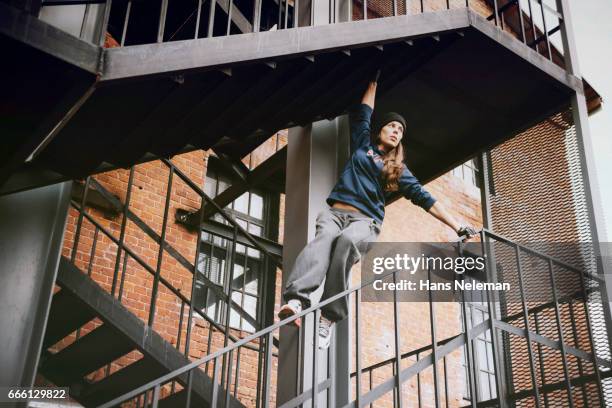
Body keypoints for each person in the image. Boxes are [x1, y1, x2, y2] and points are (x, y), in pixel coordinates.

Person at [278, 74, 477, 349]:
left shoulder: (398, 170)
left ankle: (329, 316)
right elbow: (364, 112)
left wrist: (457, 225)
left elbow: (425, 198)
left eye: (400, 131)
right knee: (323, 241)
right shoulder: (363, 145)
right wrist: (373, 80)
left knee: (345, 244)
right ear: (382, 129)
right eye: (392, 126)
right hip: (335, 213)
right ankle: (296, 301)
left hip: (365, 221)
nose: (396, 131)